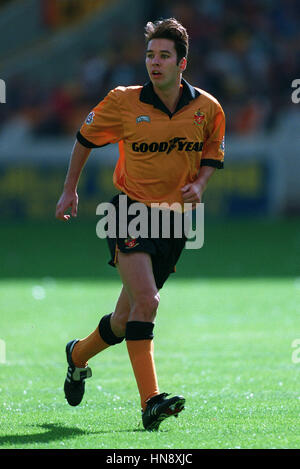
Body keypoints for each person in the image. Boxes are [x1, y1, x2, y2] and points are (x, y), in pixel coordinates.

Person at [55, 18, 225, 431]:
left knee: (125, 317)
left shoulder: (208, 108)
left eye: (164, 55)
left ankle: (77, 356)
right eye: (150, 55)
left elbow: (211, 154)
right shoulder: (123, 101)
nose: (155, 62)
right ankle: (151, 401)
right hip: (129, 211)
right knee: (148, 302)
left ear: (182, 63)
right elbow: (84, 137)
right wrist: (69, 191)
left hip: (175, 223)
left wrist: (200, 184)